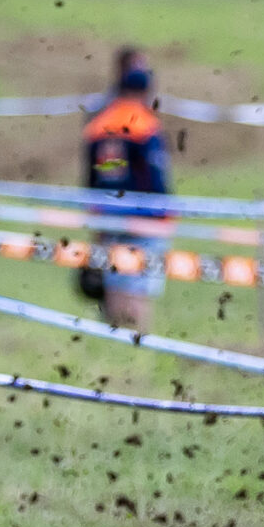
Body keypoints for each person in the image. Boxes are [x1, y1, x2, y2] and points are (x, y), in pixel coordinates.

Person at [83, 50, 173, 331]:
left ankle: (115, 340)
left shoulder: (98, 125)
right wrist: (165, 215)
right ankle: (138, 339)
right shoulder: (145, 125)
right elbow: (155, 176)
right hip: (145, 219)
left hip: (109, 217)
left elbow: (95, 177)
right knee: (140, 289)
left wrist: (97, 216)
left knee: (114, 282)